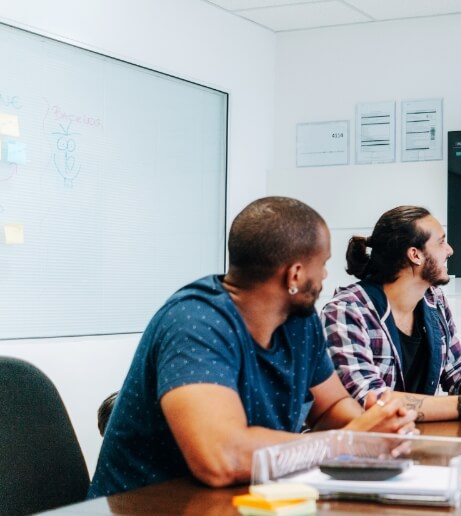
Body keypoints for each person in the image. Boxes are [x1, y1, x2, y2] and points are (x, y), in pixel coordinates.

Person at [89, 197, 415, 498]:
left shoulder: (299, 322)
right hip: (149, 506)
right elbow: (221, 458)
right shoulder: (195, 323)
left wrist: (374, 429)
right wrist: (349, 441)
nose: (325, 275)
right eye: (323, 264)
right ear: (296, 274)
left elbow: (331, 408)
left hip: (239, 502)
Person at [322, 206, 461, 422]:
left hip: (416, 441)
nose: (450, 250)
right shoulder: (347, 311)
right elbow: (371, 400)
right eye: (441, 242)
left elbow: (459, 374)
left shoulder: (434, 300)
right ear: (415, 255)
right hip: (368, 449)